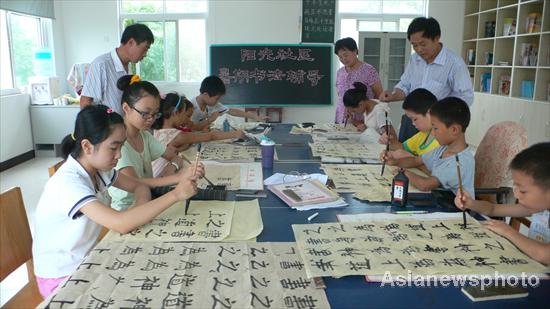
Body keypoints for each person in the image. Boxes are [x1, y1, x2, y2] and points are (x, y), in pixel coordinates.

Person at [32, 104, 204, 298]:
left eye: (121, 146)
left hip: (89, 257)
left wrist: (135, 215)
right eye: (113, 147)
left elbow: (139, 186)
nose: (119, 155)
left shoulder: (99, 169)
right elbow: (121, 223)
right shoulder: (69, 183)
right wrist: (175, 195)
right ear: (87, 146)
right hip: (63, 276)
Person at [379, 17, 473, 142]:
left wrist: (441, 119)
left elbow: (465, 97)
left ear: (436, 38)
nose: (419, 49)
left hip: (436, 127)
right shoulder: (415, 59)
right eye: (414, 45)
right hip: (411, 120)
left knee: (426, 160)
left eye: (423, 44)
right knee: (401, 155)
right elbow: (405, 85)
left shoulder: (454, 63)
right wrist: (392, 95)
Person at [455, 142, 550, 265]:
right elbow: (493, 209)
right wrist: (471, 203)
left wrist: (507, 231)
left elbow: (544, 255)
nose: (516, 194)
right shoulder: (539, 208)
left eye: (522, 191)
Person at [108, 75, 188, 211]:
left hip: (148, 201)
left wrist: (172, 167)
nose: (151, 119)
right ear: (126, 108)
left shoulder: (144, 135)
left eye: (155, 114)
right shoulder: (119, 144)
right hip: (127, 209)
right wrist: (176, 177)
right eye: (145, 113)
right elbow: (135, 183)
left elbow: (174, 156)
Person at [381, 97, 474, 197]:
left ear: (454, 130)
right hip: (440, 200)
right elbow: (416, 160)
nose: (433, 133)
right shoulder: (442, 150)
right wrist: (395, 161)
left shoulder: (460, 162)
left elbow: (425, 185)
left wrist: (403, 173)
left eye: (435, 128)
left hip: (456, 209)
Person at [151, 92, 246, 177]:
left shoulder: (157, 130)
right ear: (175, 113)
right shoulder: (177, 135)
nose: (187, 119)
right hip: (158, 181)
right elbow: (211, 136)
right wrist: (235, 134)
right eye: (184, 114)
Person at [80, 24, 154, 115]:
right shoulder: (101, 64)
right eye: (145, 49)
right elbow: (85, 101)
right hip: (106, 127)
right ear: (131, 42)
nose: (145, 54)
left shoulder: (128, 67)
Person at [190, 76, 269, 131]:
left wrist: (255, 117)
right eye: (217, 98)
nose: (218, 101)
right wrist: (209, 120)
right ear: (206, 95)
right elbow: (190, 128)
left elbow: (231, 111)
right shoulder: (191, 107)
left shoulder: (211, 103)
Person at [334, 37, 383, 124]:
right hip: (342, 118)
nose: (343, 59)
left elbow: (379, 96)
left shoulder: (368, 70)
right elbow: (340, 94)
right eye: (340, 57)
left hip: (364, 120)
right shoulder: (340, 72)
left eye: (345, 55)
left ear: (355, 51)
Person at [380, 88, 440, 159]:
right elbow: (403, 148)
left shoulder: (442, 141)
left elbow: (435, 168)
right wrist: (391, 142)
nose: (413, 124)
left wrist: (412, 158)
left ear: (429, 113)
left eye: (415, 119)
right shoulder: (424, 135)